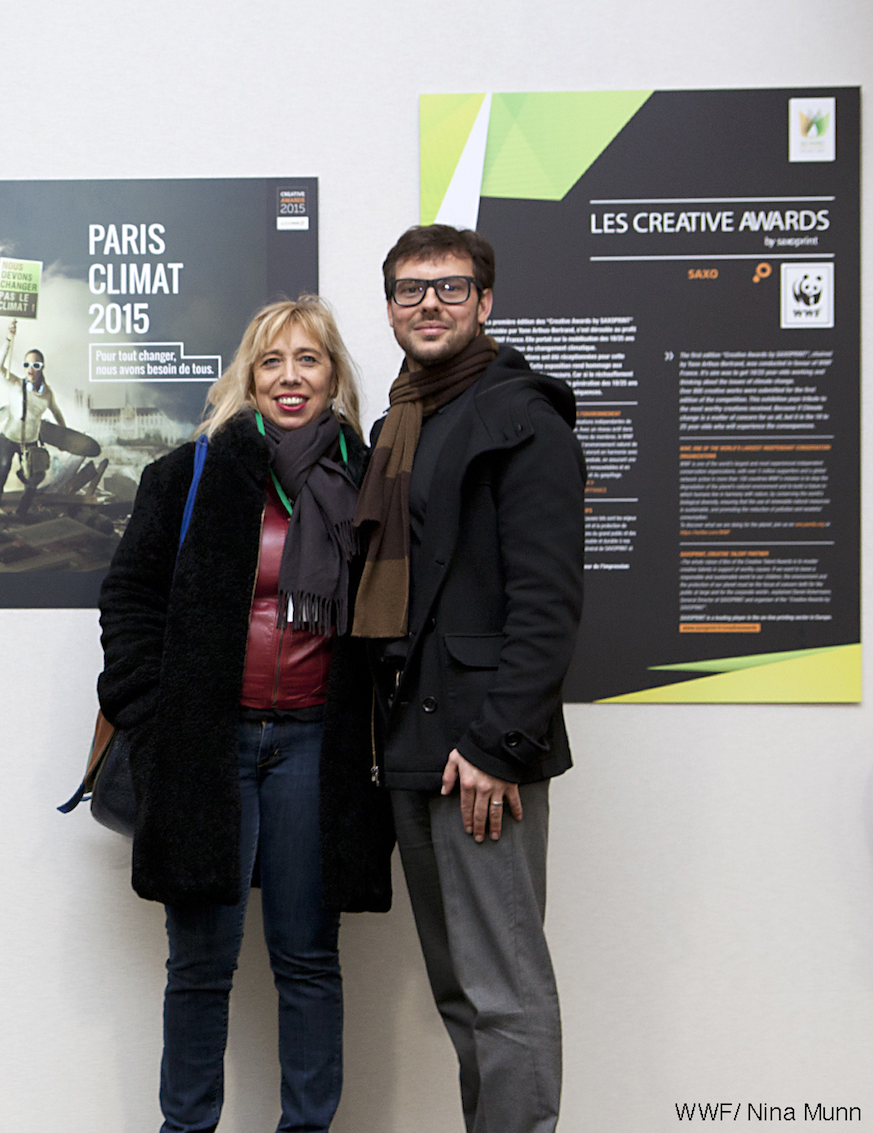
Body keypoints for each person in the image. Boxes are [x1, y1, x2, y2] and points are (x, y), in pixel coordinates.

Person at [98, 297, 394, 1133]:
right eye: (273, 361)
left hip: (314, 750)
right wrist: (156, 719)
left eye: (310, 359)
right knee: (199, 965)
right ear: (248, 376)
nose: (291, 377)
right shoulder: (189, 475)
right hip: (209, 748)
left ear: (334, 374)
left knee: (307, 960)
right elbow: (128, 600)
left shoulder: (369, 483)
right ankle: (185, 1127)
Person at [353, 225, 584, 1133]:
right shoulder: (400, 421)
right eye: (411, 291)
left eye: (451, 288)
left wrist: (496, 745)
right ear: (391, 309)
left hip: (483, 748)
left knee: (504, 991)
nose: (430, 305)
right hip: (410, 737)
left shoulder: (523, 416)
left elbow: (548, 602)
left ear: (485, 302)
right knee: (458, 992)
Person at [0, 321, 67, 521]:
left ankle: (21, 514)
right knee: (3, 467)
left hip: (29, 444)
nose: (30, 368)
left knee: (33, 480)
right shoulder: (15, 384)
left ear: (41, 368)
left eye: (35, 365)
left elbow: (57, 413)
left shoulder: (47, 394)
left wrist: (63, 436)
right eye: (27, 364)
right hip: (7, 438)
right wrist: (8, 340)